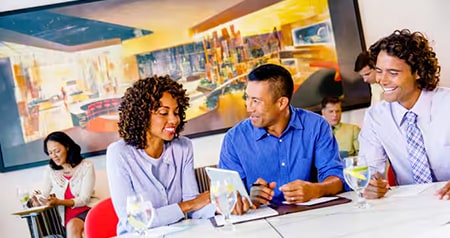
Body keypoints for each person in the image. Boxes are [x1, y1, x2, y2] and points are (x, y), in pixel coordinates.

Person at [219, 63, 344, 213]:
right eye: (247, 98)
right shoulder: (234, 139)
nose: (249, 107)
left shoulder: (316, 126)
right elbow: (225, 198)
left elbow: (337, 178)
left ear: (281, 103)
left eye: (256, 101)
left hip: (311, 218)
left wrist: (315, 190)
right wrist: (249, 199)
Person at [106, 76, 215, 235]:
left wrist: (219, 208)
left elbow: (195, 207)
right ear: (141, 115)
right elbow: (133, 221)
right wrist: (189, 205)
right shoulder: (119, 154)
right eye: (163, 113)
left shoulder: (183, 147)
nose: (174, 120)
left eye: (176, 112)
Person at [359, 29, 450, 200]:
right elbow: (368, 168)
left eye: (393, 73)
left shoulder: (447, 104)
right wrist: (371, 183)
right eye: (379, 71)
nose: (383, 80)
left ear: (418, 72)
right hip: (410, 209)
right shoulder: (375, 117)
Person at [31, 131, 98, 238]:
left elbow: (84, 199)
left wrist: (59, 201)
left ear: (67, 147)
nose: (54, 156)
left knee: (72, 226)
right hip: (65, 218)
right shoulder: (49, 170)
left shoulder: (86, 166)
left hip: (88, 211)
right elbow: (44, 194)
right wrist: (38, 202)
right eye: (50, 153)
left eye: (57, 151)